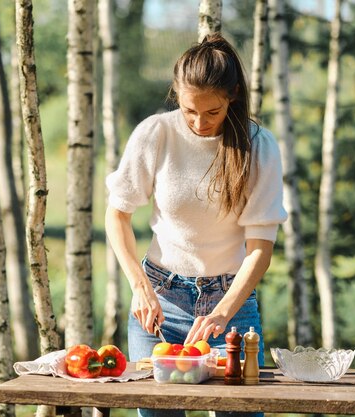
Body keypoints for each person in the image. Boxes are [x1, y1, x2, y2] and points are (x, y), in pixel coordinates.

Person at [105, 33, 287, 417]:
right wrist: (139, 287)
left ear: (233, 96)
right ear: (177, 94)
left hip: (231, 310)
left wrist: (222, 312)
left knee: (239, 412)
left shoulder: (260, 146)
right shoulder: (156, 134)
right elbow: (118, 213)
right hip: (159, 304)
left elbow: (261, 248)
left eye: (212, 112)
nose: (199, 123)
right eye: (189, 111)